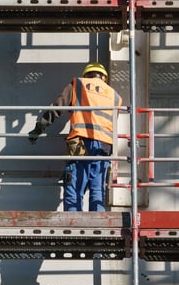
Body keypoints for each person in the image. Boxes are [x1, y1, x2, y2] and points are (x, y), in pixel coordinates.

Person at [28, 62, 123, 212]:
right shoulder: (115, 96)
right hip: (104, 147)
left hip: (80, 143)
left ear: (86, 75)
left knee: (75, 188)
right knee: (98, 190)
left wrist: (39, 128)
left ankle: (73, 220)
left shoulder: (79, 84)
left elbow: (58, 107)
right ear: (104, 77)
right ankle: (98, 222)